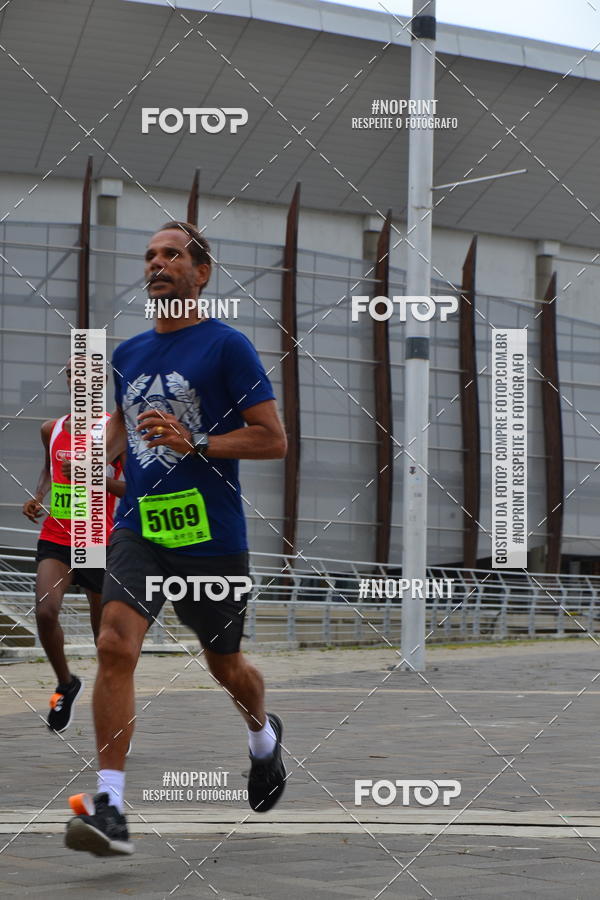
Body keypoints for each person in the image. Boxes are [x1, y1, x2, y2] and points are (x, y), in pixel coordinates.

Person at [65, 221, 288, 857]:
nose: (157, 263)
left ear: (201, 273)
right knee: (114, 643)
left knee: (226, 666)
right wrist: (93, 459)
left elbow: (272, 439)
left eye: (172, 254)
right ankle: (109, 806)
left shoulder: (227, 346)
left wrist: (198, 442)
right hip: (140, 526)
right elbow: (125, 420)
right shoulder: (129, 352)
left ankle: (263, 737)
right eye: (150, 256)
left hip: (211, 535)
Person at [22, 362, 125, 732]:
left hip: (99, 539)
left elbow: (132, 489)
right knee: (45, 611)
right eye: (71, 374)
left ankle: (114, 709)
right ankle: (66, 684)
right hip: (57, 536)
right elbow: (50, 468)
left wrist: (92, 475)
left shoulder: (115, 431)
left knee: (105, 639)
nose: (78, 380)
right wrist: (38, 495)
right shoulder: (51, 429)